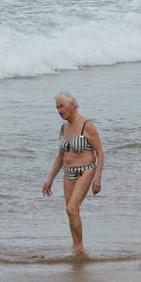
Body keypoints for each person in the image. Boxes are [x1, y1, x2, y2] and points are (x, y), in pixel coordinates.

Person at [41, 92, 104, 256]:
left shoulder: (86, 125)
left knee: (71, 208)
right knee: (71, 212)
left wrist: (98, 178)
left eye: (62, 106)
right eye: (57, 108)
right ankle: (76, 247)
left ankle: (80, 248)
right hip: (68, 173)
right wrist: (50, 179)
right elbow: (60, 156)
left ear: (72, 105)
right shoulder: (63, 129)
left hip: (86, 170)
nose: (59, 111)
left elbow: (100, 153)